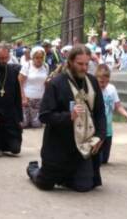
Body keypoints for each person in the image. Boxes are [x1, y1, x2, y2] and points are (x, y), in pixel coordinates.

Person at [27, 44, 106, 192]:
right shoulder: (56, 83)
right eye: (80, 64)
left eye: (86, 64)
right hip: (59, 146)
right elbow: (44, 115)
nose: (84, 68)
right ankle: (33, 169)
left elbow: (101, 112)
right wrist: (68, 116)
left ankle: (69, 176)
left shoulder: (93, 82)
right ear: (70, 62)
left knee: (84, 186)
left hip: (82, 147)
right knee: (45, 185)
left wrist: (100, 136)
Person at [95, 64, 127, 164]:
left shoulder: (111, 89)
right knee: (97, 160)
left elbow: (118, 106)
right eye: (101, 82)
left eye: (106, 82)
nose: (104, 84)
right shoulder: (93, 90)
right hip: (97, 129)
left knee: (104, 160)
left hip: (108, 129)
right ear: (96, 78)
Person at [19, 46, 49, 128]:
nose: (39, 60)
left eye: (41, 58)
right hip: (27, 99)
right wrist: (23, 97)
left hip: (40, 99)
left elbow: (46, 83)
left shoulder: (45, 66)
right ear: (33, 57)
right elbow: (20, 82)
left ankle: (33, 119)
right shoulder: (27, 66)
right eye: (37, 57)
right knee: (23, 124)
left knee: (37, 125)